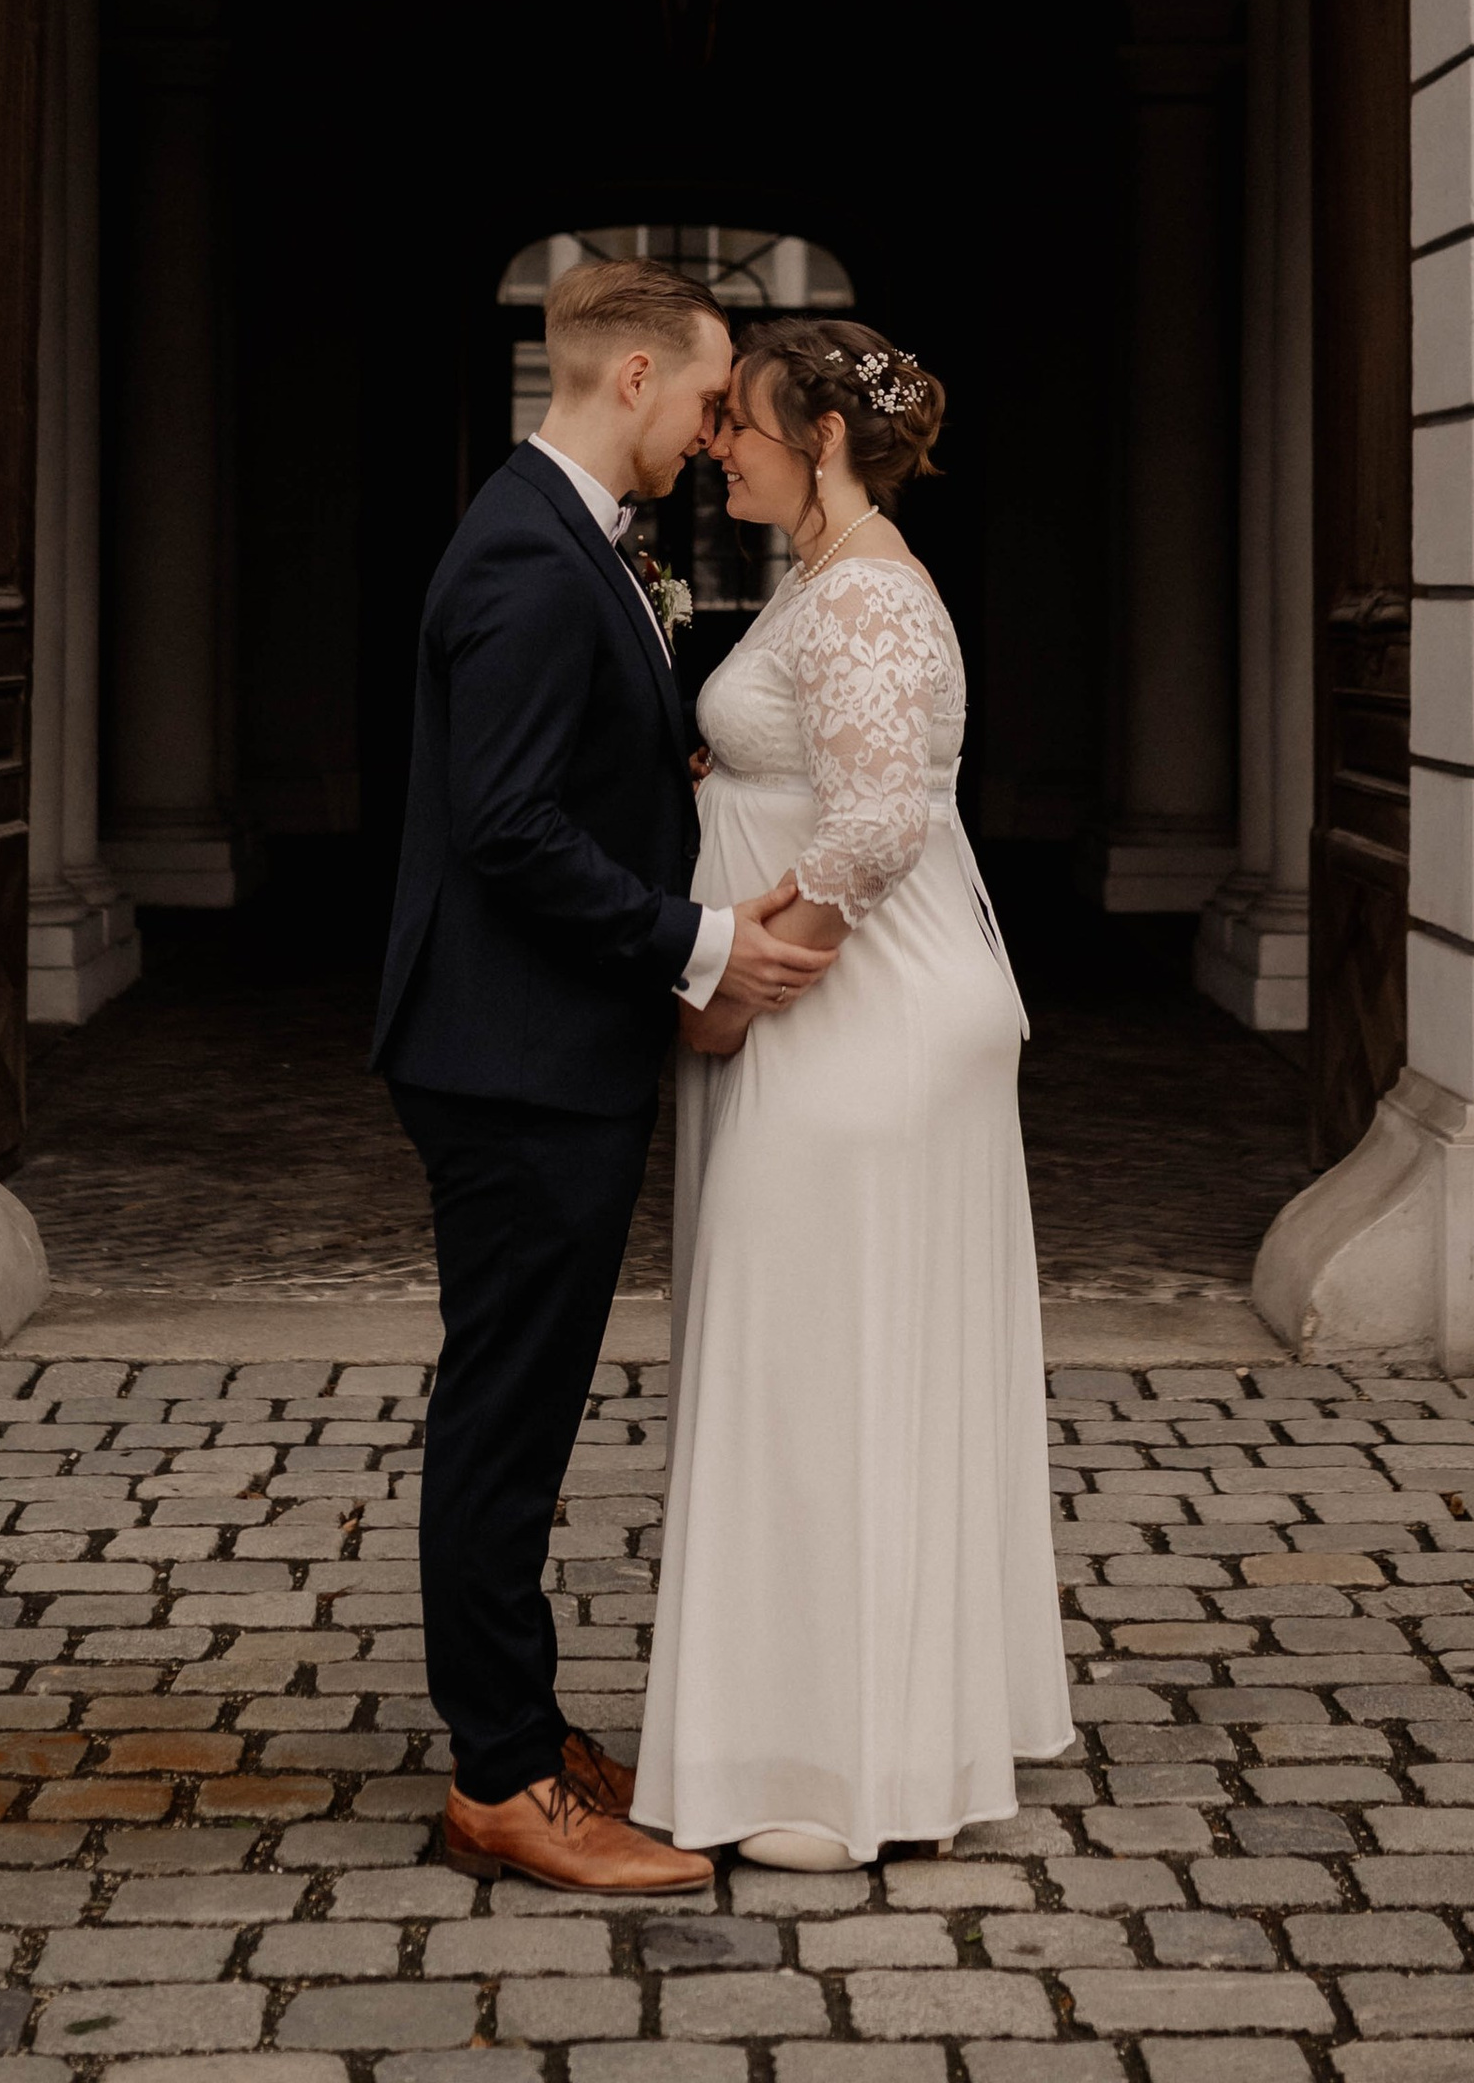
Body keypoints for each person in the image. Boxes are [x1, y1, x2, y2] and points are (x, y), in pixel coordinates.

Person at [373, 255, 836, 1895]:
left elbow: (560, 766)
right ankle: (501, 1780)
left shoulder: (566, 539)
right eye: (710, 397)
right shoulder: (522, 552)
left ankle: (527, 1720)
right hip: (512, 1057)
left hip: (543, 1047)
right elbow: (505, 830)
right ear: (632, 378)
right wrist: (696, 943)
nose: (717, 430)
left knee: (530, 1405)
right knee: (504, 1417)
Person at [634, 315, 1072, 1868]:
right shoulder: (830, 579)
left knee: (832, 1360)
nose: (719, 444)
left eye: (742, 425)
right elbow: (815, 769)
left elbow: (886, 815)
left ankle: (844, 1762)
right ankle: (832, 1721)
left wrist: (752, 977)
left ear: (816, 439)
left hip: (859, 1018)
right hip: (841, 1007)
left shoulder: (870, 591)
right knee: (819, 1350)